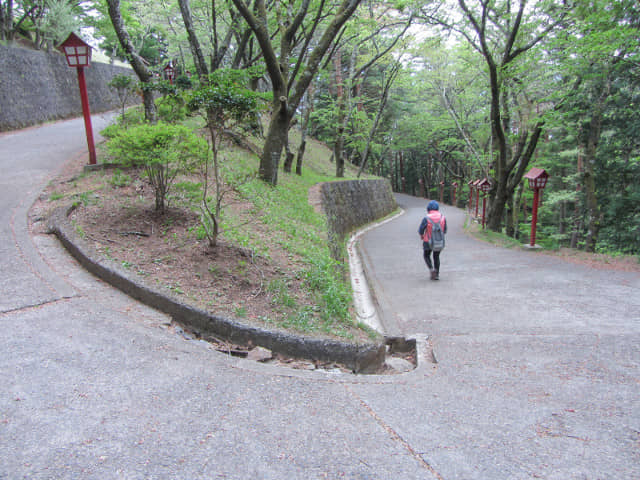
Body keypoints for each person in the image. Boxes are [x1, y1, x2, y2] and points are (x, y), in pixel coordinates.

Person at [418, 200, 447, 280]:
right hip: (439, 241)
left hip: (428, 241)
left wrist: (422, 235)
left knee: (426, 255)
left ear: (428, 208)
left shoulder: (426, 218)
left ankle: (431, 269)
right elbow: (444, 231)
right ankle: (437, 274)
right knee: (436, 256)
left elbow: (421, 230)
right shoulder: (442, 217)